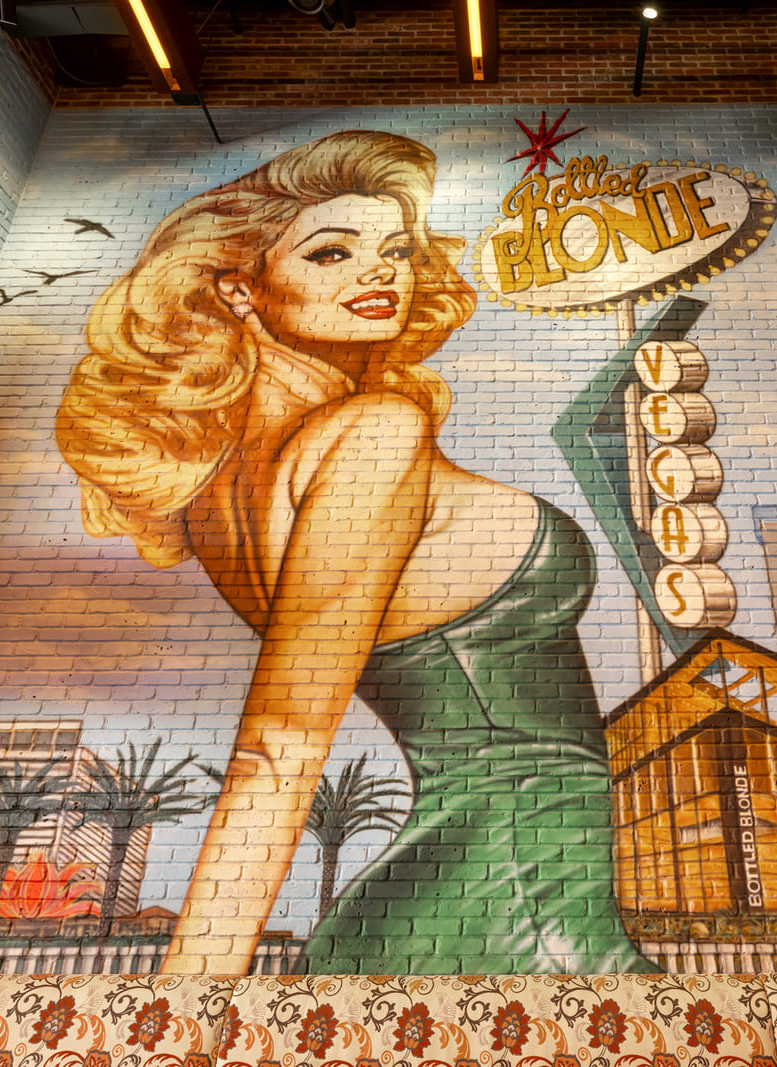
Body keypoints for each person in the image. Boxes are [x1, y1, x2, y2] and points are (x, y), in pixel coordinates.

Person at [57, 130, 656, 976]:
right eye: (331, 251)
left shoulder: (222, 492)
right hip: (522, 911)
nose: (380, 272)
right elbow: (280, 747)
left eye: (397, 250)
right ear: (240, 288)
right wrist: (189, 1009)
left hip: (467, 900)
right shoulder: (374, 439)